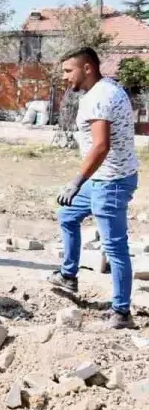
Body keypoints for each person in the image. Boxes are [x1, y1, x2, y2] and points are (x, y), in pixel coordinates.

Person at [48, 47, 140, 329]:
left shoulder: (98, 98)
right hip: (104, 178)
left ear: (87, 68)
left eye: (68, 71)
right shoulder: (108, 87)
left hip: (110, 181)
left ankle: (121, 312)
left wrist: (76, 181)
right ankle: (68, 275)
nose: (64, 77)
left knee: (114, 246)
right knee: (68, 215)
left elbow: (101, 145)